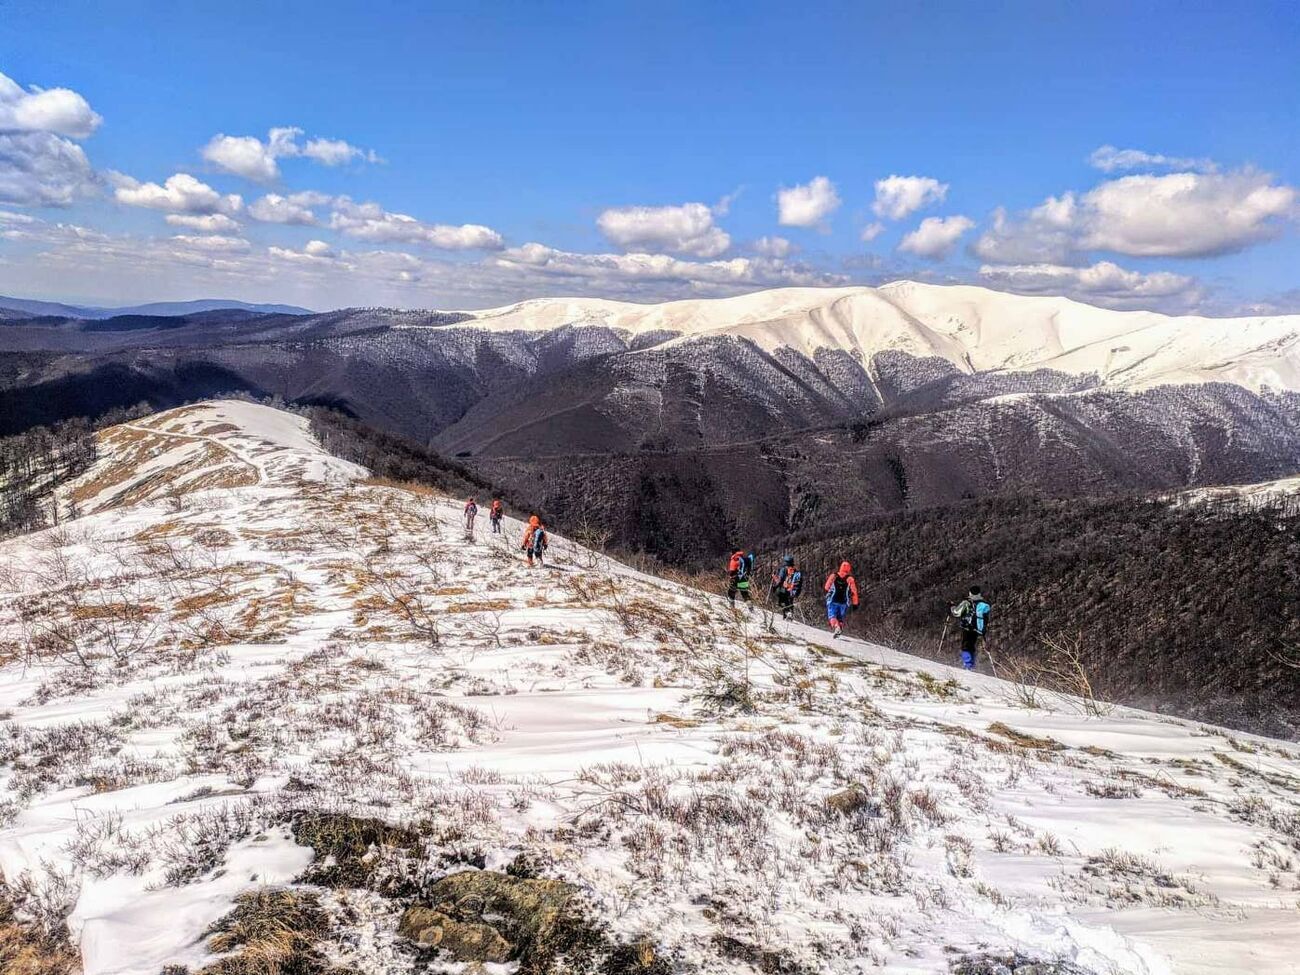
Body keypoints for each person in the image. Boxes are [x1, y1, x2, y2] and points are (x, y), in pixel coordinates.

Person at [950, 586, 991, 670]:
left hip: (967, 628)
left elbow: (956, 613)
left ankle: (968, 665)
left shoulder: (967, 602)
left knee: (965, 646)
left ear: (970, 592)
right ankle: (972, 665)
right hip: (978, 629)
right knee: (972, 646)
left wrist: (951, 607)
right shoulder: (983, 604)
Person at [823, 561, 859, 637]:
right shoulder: (850, 579)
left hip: (832, 600)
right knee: (840, 616)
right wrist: (855, 603)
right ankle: (840, 628)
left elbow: (826, 587)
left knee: (832, 615)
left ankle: (837, 627)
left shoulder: (834, 576)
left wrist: (827, 592)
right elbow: (854, 592)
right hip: (844, 602)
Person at [770, 555, 803, 620]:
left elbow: (780, 580)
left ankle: (787, 614)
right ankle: (789, 616)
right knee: (789, 603)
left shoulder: (784, 569)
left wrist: (774, 582)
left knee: (781, 602)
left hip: (784, 590)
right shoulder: (795, 570)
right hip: (792, 590)